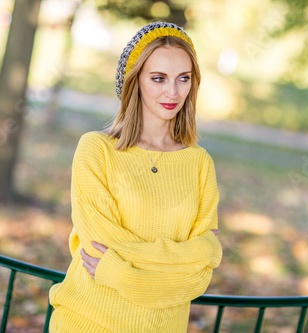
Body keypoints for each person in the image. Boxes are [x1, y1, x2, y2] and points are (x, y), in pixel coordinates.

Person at [48, 21, 222, 333]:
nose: (173, 92)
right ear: (135, 81)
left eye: (184, 78)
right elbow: (98, 245)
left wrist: (119, 273)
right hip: (88, 323)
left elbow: (201, 270)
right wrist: (182, 259)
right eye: (159, 78)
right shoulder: (96, 150)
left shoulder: (199, 163)